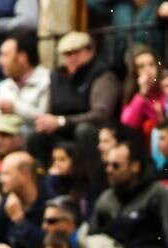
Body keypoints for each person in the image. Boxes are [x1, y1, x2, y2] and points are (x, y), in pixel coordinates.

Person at [33, 32, 121, 164]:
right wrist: (47, 122)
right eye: (67, 54)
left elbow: (101, 114)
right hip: (63, 132)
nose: (71, 57)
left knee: (84, 131)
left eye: (76, 52)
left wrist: (62, 121)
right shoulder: (58, 76)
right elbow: (50, 108)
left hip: (92, 130)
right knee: (35, 138)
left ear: (90, 51)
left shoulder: (102, 74)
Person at [87, 136, 168, 248]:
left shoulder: (158, 194)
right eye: (107, 165)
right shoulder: (105, 199)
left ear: (135, 167)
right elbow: (92, 237)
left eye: (116, 166)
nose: (109, 170)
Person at [0, 29, 49, 138]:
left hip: (31, 145)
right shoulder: (3, 86)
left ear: (22, 57)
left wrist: (15, 108)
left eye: (5, 55)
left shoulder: (46, 80)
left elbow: (45, 120)